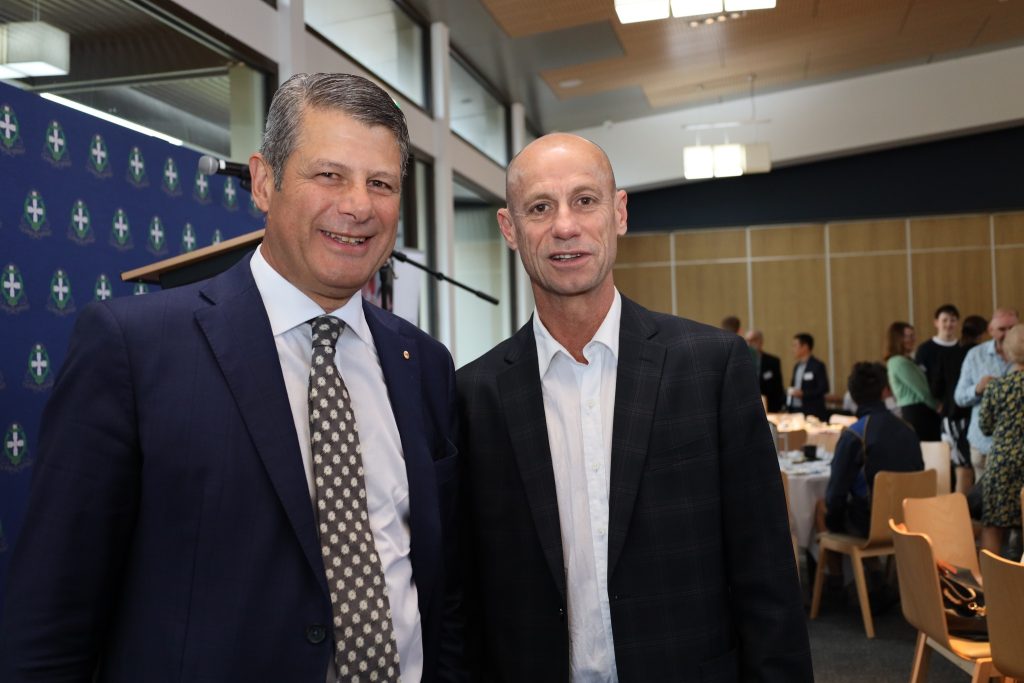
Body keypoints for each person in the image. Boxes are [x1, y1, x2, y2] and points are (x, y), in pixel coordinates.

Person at [0, 73, 462, 682]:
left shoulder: (423, 364)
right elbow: (50, 618)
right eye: (330, 174)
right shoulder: (134, 350)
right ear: (265, 183)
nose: (358, 205)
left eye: (381, 183)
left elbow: (440, 583)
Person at [457, 133, 811, 682]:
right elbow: (468, 593)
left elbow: (766, 571)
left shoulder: (711, 367)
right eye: (540, 208)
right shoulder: (472, 395)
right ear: (510, 228)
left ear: (618, 213)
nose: (565, 226)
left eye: (585, 200)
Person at [820, 362, 924, 538]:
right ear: (885, 392)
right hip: (909, 520)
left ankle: (833, 555)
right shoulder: (908, 429)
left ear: (852, 397)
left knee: (822, 507)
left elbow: (835, 494)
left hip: (869, 525)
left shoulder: (855, 435)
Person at [955, 308, 1020, 484]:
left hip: (1018, 446)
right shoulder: (975, 355)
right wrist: (977, 389)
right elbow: (959, 397)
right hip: (983, 442)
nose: (1007, 334)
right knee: (984, 496)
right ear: (990, 330)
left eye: (1012, 328)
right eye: (1002, 329)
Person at [978, 323, 1024, 556]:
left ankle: (989, 576)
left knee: (993, 524)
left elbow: (985, 427)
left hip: (1003, 462)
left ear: (1007, 353)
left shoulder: (997, 387)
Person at [932, 314, 988, 493]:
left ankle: (961, 509)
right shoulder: (983, 356)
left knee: (962, 469)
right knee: (970, 470)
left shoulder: (948, 354)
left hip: (951, 417)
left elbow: (935, 388)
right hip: (972, 417)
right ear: (984, 333)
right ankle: (965, 509)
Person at [885, 321, 941, 440]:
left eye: (913, 335)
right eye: (907, 336)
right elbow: (921, 390)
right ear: (898, 339)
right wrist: (938, 406)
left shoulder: (907, 360)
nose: (912, 339)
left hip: (920, 410)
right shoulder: (899, 362)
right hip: (917, 412)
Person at [914, 304, 960, 385]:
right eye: (944, 320)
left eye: (952, 320)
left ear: (957, 323)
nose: (949, 324)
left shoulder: (962, 348)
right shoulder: (925, 349)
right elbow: (920, 379)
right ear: (936, 323)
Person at [787, 332, 829, 420]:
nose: (793, 349)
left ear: (805, 347)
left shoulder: (817, 365)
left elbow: (824, 388)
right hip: (796, 410)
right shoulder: (797, 366)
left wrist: (803, 393)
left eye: (795, 345)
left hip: (813, 411)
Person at [746, 328, 786, 412]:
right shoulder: (740, 362)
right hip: (748, 406)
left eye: (752, 340)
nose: (749, 344)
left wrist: (781, 405)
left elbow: (778, 387)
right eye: (747, 341)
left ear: (760, 341)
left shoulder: (773, 361)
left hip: (770, 406)